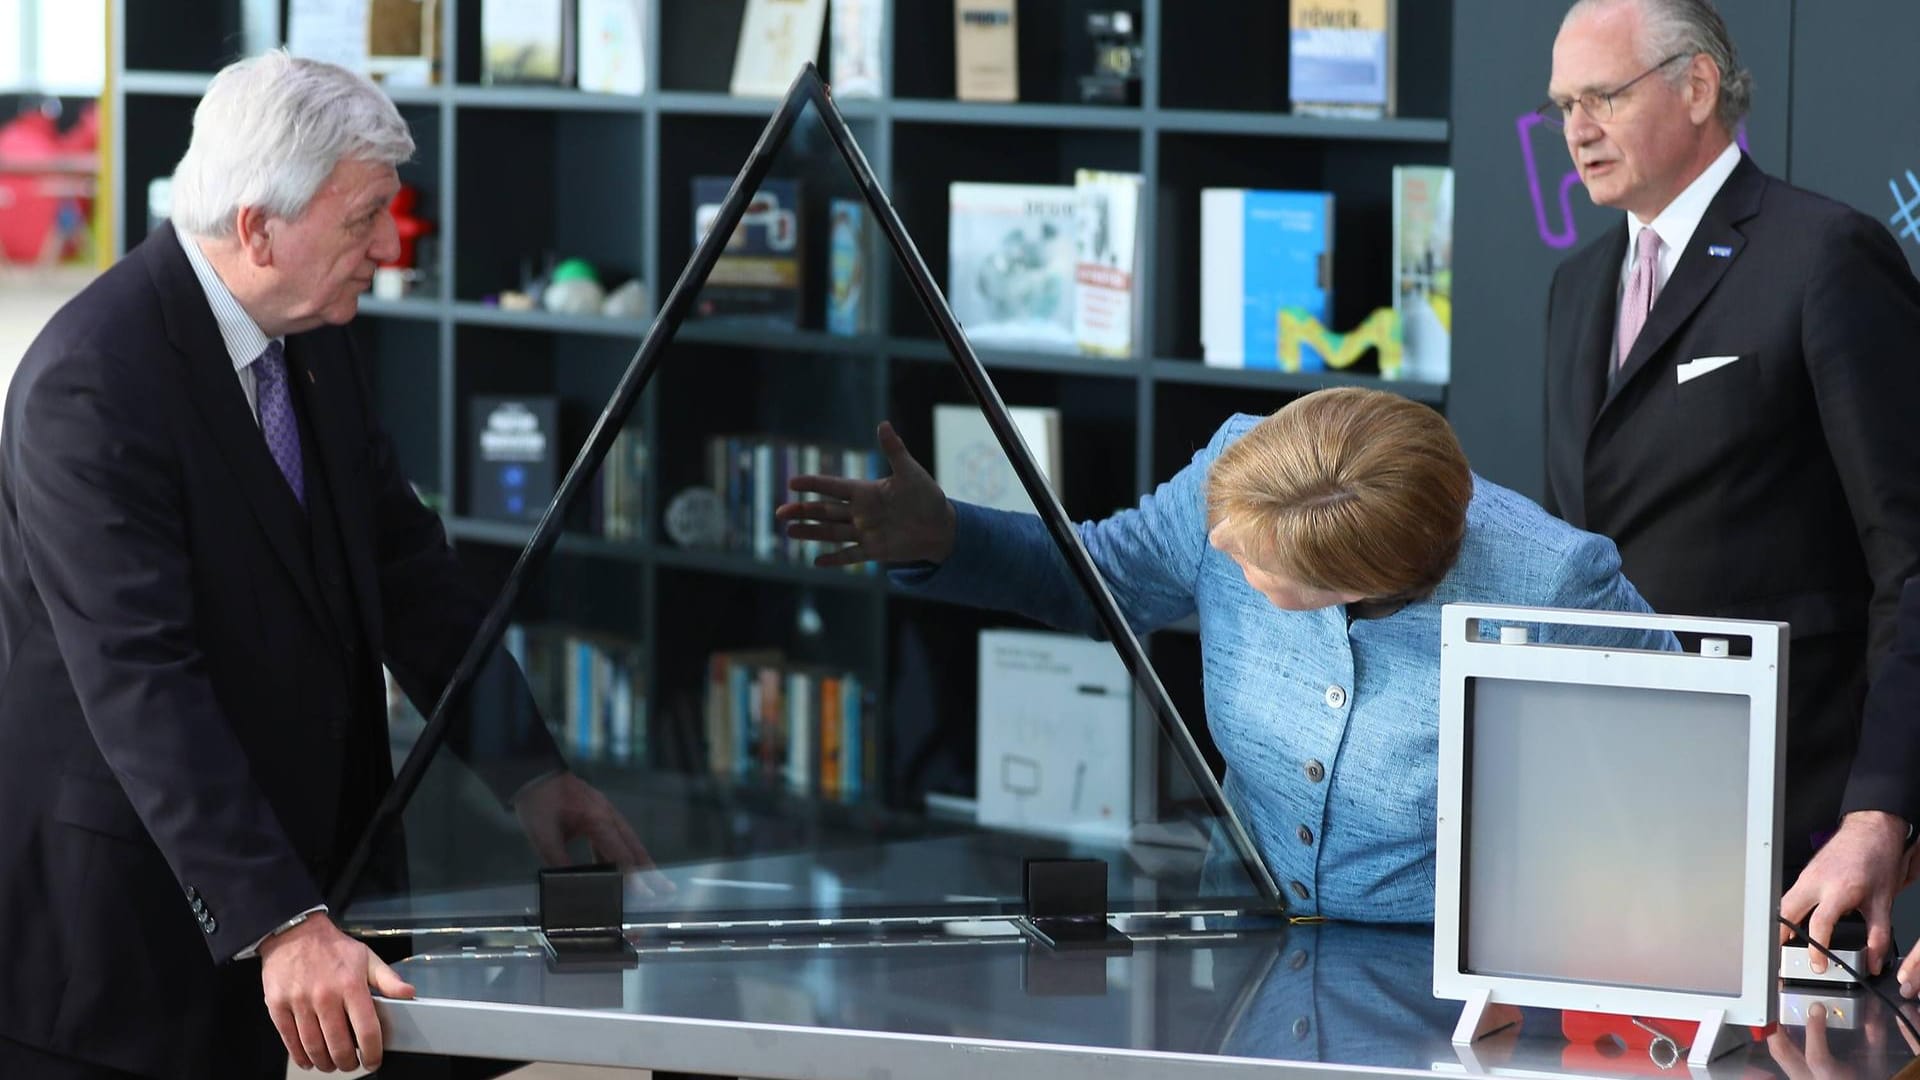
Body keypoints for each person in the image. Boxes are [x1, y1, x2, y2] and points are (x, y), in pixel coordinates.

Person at [0, 52, 654, 1080]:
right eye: (363, 222)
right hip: (116, 946)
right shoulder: (91, 385)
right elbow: (142, 682)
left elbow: (404, 569)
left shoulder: (312, 335)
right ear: (259, 227)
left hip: (285, 883)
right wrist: (280, 920)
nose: (389, 249)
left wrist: (525, 768)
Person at [778, 388, 1674, 921]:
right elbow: (1110, 576)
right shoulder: (1238, 471)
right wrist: (948, 537)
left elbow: (1675, 790)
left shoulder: (1555, 584)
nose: (1222, 561)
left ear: (1351, 585)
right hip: (1243, 936)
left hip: (1436, 990)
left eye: (1252, 568)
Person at [1538, 0, 1920, 975]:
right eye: (1564, 104)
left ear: (1697, 86)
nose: (1576, 129)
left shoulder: (1824, 257)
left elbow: (1910, 563)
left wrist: (1881, 808)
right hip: (1607, 825)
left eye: (1602, 97)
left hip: (1793, 832)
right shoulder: (1577, 287)